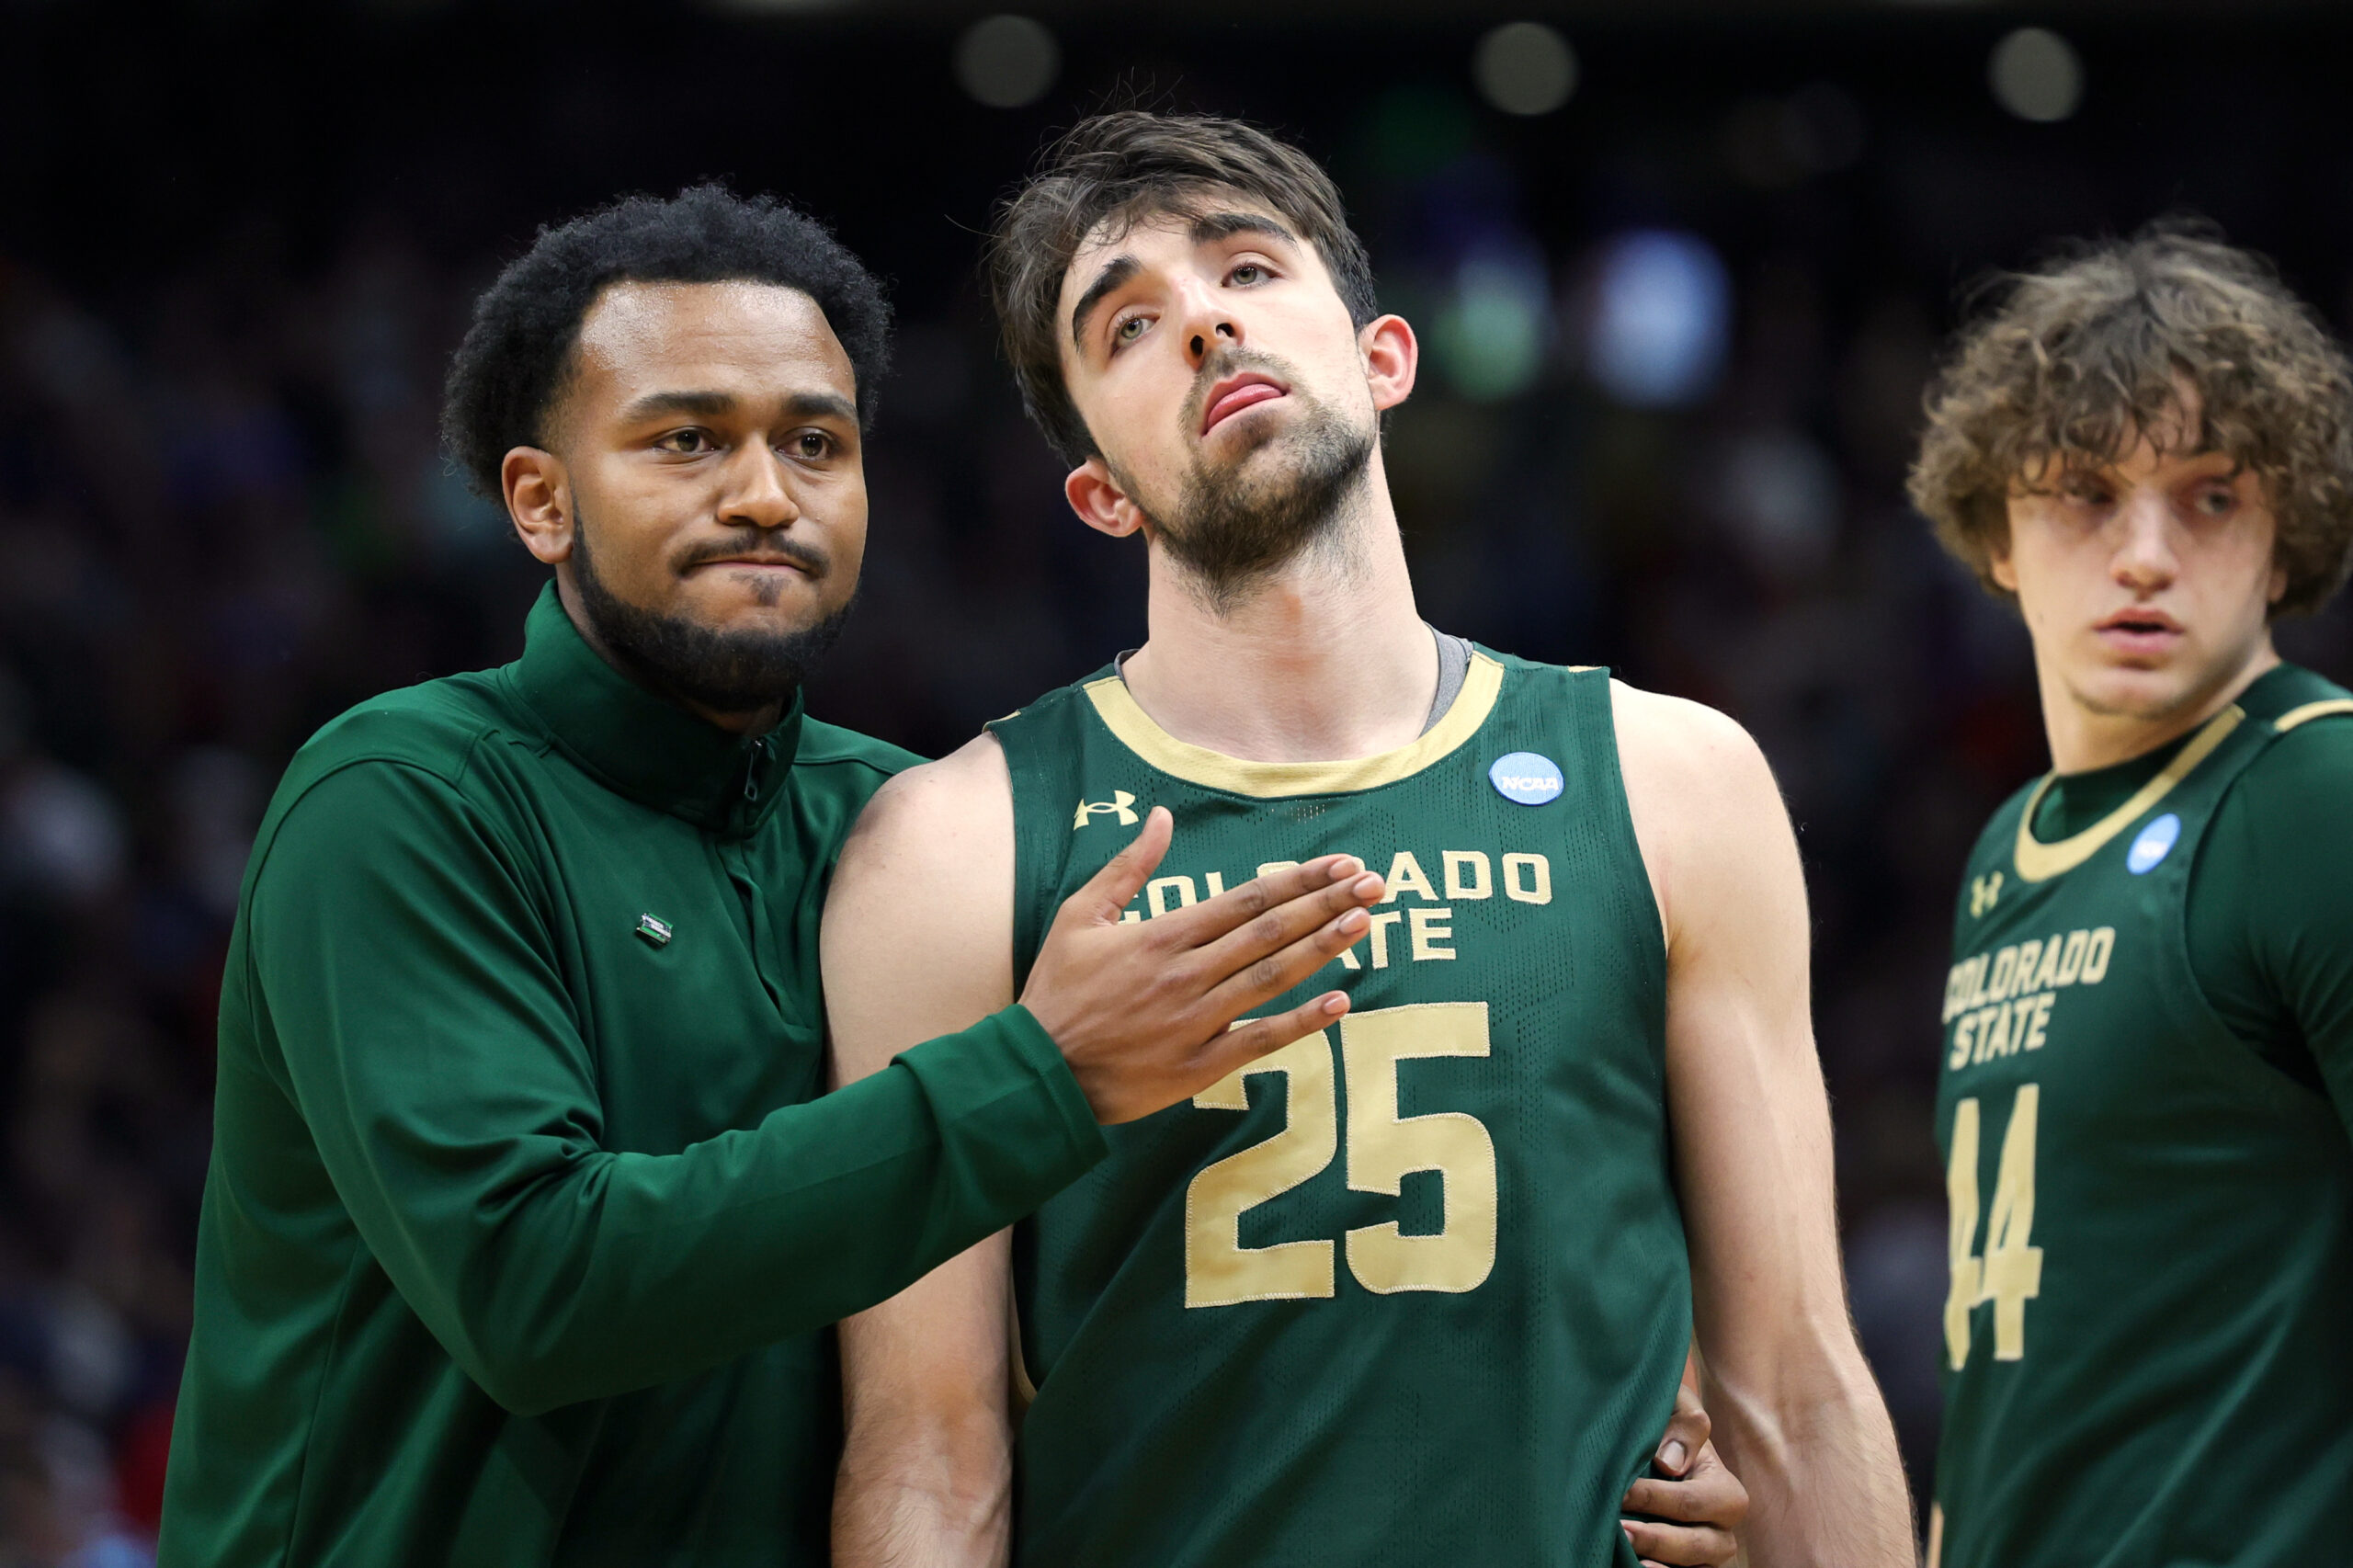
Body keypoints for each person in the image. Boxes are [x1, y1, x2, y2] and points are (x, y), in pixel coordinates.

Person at [156, 185, 1393, 1567]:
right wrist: (1041, 1075)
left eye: (816, 443)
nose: (763, 494)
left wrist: (1672, 1428)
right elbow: (533, 1286)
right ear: (541, 501)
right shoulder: (401, 800)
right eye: (686, 440)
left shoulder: (908, 821)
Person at [823, 111, 1914, 1568]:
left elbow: (1796, 1384)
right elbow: (928, 1450)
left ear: (1384, 358)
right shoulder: (953, 847)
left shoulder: (1676, 780)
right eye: (1128, 325)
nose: (1206, 324)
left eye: (1249, 273)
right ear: (1100, 490)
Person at [1908, 228, 2353, 1567]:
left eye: (2212, 496)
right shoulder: (2010, 849)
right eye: (2087, 495)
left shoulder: (2313, 789)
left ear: (2288, 540)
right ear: (1996, 534)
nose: (2146, 554)